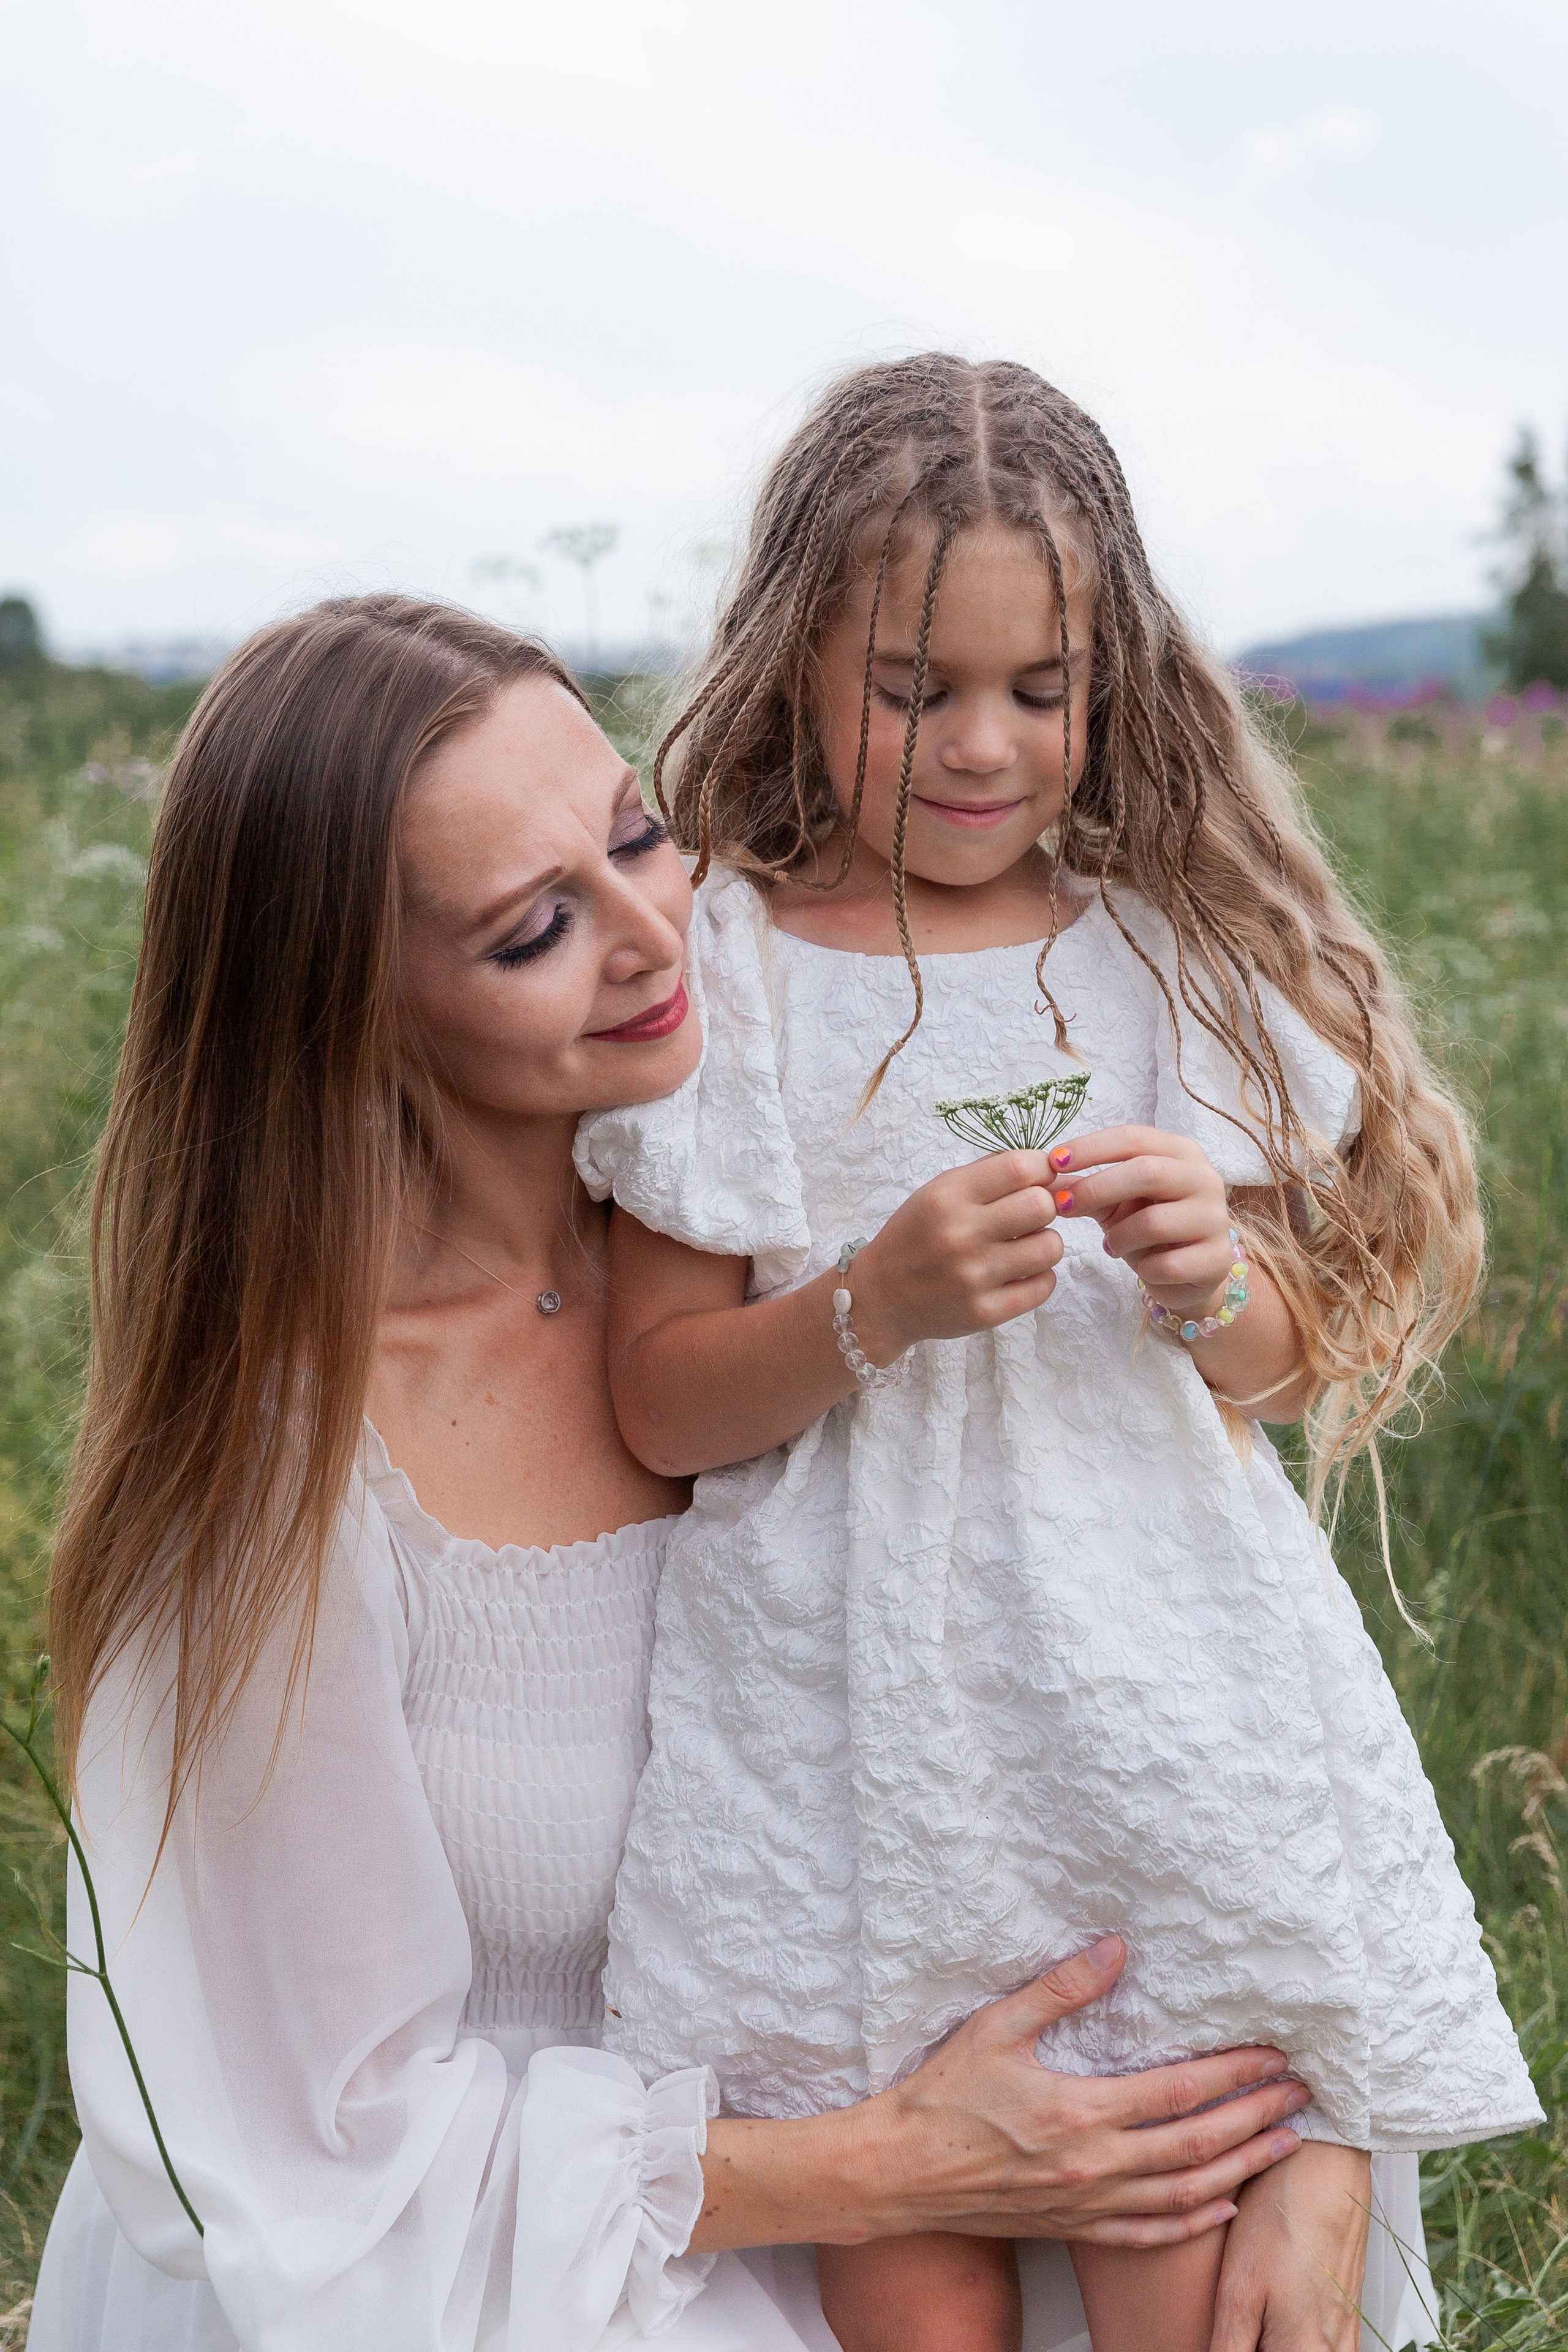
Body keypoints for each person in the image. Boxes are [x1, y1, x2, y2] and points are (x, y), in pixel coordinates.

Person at [28, 595, 1313, 2352]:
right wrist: (896, 2166)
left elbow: (1179, 1693)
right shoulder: (284, 1468)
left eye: (637, 832)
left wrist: (1319, 2120)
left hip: (901, 2188)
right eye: (534, 929)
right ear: (348, 1016)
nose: (656, 934)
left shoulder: (812, 1267)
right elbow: (305, 2154)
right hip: (480, 2282)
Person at [576, 356, 1542, 2352]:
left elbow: (1273, 1374)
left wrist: (1208, 1281)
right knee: (915, 2278)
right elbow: (658, 1398)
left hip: (1149, 1713)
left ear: (1114, 680)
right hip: (847, 1744)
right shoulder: (732, 975)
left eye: (1042, 687)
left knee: (1177, 2222)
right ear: (793, 661)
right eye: (913, 688)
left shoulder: (1162, 957)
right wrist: (871, 1309)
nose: (982, 746)